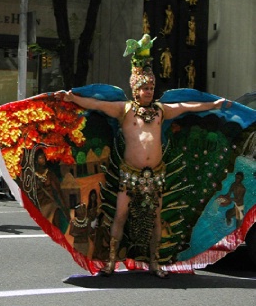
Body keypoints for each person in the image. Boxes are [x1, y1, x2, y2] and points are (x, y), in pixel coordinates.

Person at [55, 34, 228, 278]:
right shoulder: (123, 110)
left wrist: (213, 105)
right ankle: (111, 262)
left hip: (156, 174)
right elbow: (95, 104)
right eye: (145, 88)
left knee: (156, 217)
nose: (149, 92)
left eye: (151, 88)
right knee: (121, 215)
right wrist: (73, 98)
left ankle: (155, 263)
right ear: (135, 89)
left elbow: (187, 106)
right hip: (130, 174)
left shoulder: (160, 110)